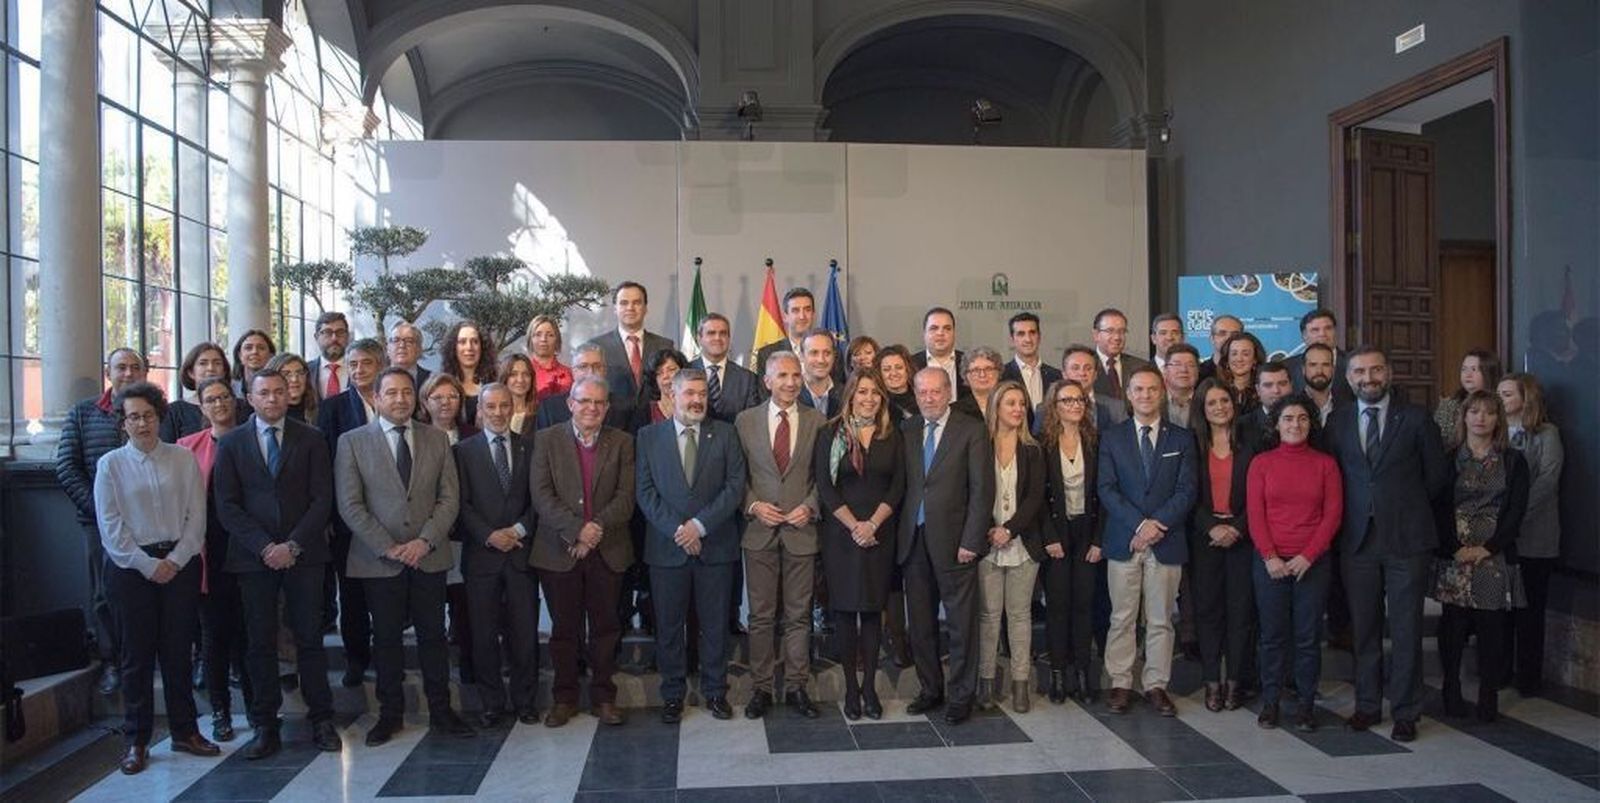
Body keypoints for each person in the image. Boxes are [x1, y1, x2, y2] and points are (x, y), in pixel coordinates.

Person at [335, 367, 472, 745]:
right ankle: (389, 714)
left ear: (416, 397)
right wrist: (389, 546)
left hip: (428, 555)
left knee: (433, 636)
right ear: (376, 398)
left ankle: (442, 710)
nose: (400, 399)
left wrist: (424, 541)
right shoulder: (352, 442)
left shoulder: (436, 439)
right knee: (387, 639)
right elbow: (350, 504)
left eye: (406, 392)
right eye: (391, 393)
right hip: (379, 560)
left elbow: (449, 498)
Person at [212, 368, 341, 759]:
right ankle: (266, 724)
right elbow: (227, 505)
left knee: (309, 639)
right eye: (263, 392)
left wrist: (293, 545)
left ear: (290, 396)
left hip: (304, 556)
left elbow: (323, 499)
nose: (272, 399)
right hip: (255, 559)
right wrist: (266, 546)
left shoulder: (312, 438)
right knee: (260, 642)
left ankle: (322, 719)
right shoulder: (232, 443)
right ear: (249, 398)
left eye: (279, 392)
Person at [94, 382, 221, 774]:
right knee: (136, 655)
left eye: (148, 415)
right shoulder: (110, 465)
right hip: (131, 570)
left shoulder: (182, 459)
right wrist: (150, 566)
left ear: (159, 417)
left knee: (178, 651)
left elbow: (196, 518)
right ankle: (137, 738)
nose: (142, 423)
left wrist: (177, 559)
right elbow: (111, 529)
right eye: (133, 416)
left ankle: (185, 731)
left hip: (181, 564)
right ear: (123, 422)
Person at [1323, 346, 1449, 742]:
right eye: (1359, 371)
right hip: (1357, 540)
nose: (1368, 378)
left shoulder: (1415, 418)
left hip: (1406, 539)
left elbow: (1437, 478)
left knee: (1407, 627)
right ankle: (1366, 705)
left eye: (1376, 370)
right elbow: (1332, 476)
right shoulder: (1338, 421)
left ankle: (1407, 711)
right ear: (1348, 378)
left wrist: (1401, 508)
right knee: (1364, 629)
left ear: (1389, 373)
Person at [635, 369, 747, 724]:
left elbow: (734, 487)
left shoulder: (726, 434)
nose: (697, 400)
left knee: (715, 625)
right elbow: (645, 492)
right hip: (667, 550)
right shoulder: (648, 437)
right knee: (669, 627)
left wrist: (699, 526)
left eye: (701, 393)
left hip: (716, 547)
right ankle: (672, 695)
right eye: (689, 394)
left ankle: (716, 692)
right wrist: (679, 530)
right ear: (673, 394)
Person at [530, 376, 636, 727]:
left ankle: (604, 697)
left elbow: (626, 497)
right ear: (570, 404)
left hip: (608, 549)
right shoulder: (546, 440)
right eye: (584, 401)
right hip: (559, 551)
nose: (592, 408)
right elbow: (542, 496)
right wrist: (576, 530)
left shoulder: (622, 442)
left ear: (607, 408)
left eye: (599, 402)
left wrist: (594, 531)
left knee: (606, 628)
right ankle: (564, 698)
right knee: (564, 630)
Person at [1097, 366, 1197, 717]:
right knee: (1121, 617)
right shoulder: (1112, 437)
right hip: (1124, 540)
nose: (1145, 396)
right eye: (1138, 389)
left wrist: (1157, 526)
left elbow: (1187, 491)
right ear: (1128, 394)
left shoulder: (1182, 439)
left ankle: (1156, 684)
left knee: (1160, 619)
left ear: (1163, 392)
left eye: (1152, 389)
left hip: (1166, 542)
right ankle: (1121, 682)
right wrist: (1140, 525)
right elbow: (1106, 489)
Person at [899, 367, 994, 725]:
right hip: (914, 541)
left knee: (960, 624)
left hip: (957, 544)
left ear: (948, 391)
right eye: (922, 392)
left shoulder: (970, 429)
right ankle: (930, 689)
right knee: (920, 624)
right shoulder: (907, 430)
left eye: (935, 392)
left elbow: (982, 492)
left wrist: (972, 540)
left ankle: (960, 695)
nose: (928, 398)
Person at [735, 352, 825, 720]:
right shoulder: (744, 422)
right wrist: (753, 504)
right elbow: (733, 475)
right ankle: (760, 688)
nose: (790, 382)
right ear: (767, 381)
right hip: (759, 532)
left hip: (802, 531)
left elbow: (826, 476)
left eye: (795, 376)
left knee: (799, 615)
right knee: (760, 616)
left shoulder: (819, 421)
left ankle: (796, 686)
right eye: (782, 376)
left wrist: (812, 505)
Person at [1246, 394, 1342, 731]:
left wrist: (1308, 556)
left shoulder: (1325, 464)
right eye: (1288, 418)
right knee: (1272, 636)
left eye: (1302, 418)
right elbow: (1255, 515)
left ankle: (1305, 705)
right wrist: (1270, 556)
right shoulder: (1261, 463)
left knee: (1306, 637)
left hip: (1311, 563)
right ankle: (1270, 702)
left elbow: (1332, 515)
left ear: (1311, 424)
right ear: (1276, 424)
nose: (1295, 425)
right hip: (1269, 562)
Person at [57, 346, 148, 695]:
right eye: (121, 367)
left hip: (149, 523)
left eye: (135, 368)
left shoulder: (156, 413)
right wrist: (103, 512)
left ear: (145, 372)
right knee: (104, 595)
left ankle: (146, 659)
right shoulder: (83, 414)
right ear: (108, 373)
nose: (128, 373)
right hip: (98, 524)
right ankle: (114, 663)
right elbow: (67, 467)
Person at [813, 369, 904, 720]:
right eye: (862, 392)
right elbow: (824, 485)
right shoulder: (830, 433)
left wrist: (872, 525)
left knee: (872, 613)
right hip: (842, 537)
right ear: (850, 394)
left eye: (875, 393)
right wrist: (854, 526)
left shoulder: (891, 435)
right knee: (846, 614)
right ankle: (851, 689)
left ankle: (870, 690)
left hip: (879, 535)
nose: (869, 399)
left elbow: (898, 485)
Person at [1434, 390, 1529, 723]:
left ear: (1497, 419)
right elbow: (1439, 506)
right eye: (1474, 412)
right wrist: (1455, 547)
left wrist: (1488, 548)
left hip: (1493, 555)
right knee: (1453, 626)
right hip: (1454, 554)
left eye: (1488, 413)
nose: (1480, 418)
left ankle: (1488, 695)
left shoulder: (1513, 460)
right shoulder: (1448, 458)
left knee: (1492, 627)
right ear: (1464, 417)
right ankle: (1451, 690)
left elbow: (1516, 510)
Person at [455, 383, 541, 728]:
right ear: (480, 411)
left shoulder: (530, 448)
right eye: (490, 406)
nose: (498, 412)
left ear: (512, 407)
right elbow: (461, 504)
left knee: (525, 633)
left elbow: (538, 500)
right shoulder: (463, 451)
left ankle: (525, 701)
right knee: (483, 634)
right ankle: (492, 702)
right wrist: (489, 535)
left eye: (505, 405)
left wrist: (518, 530)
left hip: (520, 555)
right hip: (482, 556)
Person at [174, 378, 252, 744]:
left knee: (252, 636)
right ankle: (220, 710)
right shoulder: (186, 448)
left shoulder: (253, 437)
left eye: (224, 397)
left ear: (235, 402)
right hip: (208, 558)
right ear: (200, 407)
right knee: (215, 638)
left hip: (252, 553)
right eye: (210, 399)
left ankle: (258, 707)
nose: (218, 404)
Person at [317, 337, 386, 684]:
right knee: (354, 593)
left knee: (388, 595)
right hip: (348, 519)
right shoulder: (332, 408)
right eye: (353, 364)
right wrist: (330, 516)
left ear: (380, 366)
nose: (358, 370)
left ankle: (388, 657)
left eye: (366, 364)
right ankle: (356, 660)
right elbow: (324, 465)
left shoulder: (396, 401)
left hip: (391, 517)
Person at [975, 380, 1046, 714]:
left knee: (1019, 615)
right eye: (1011, 403)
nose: (1018, 409)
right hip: (986, 543)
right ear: (996, 408)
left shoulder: (1033, 448)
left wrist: (1010, 529)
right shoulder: (979, 444)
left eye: (1022, 404)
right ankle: (986, 682)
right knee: (988, 616)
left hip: (1022, 543)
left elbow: (1034, 497)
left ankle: (1020, 684)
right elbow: (973, 492)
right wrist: (991, 529)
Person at [1190, 379, 1257, 712]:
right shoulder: (1193, 444)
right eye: (1212, 403)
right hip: (1205, 538)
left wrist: (1237, 528)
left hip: (1243, 538)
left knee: (1240, 613)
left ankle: (1235, 682)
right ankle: (1211, 680)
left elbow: (1260, 494)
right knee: (1208, 612)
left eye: (1225, 401)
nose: (1220, 407)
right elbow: (1187, 494)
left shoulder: (1251, 443)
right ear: (1202, 408)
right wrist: (1212, 527)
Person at [1498, 373, 1563, 696]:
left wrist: (1517, 513)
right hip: (1500, 536)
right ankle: (1500, 671)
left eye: (1507, 394)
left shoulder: (1546, 434)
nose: (1501, 400)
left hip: (1535, 535)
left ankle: (1528, 677)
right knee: (1503, 610)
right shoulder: (1495, 433)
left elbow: (1548, 479)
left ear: (1526, 398)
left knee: (1531, 609)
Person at [1039, 379, 1102, 704]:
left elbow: (1104, 495)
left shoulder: (1095, 441)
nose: (1074, 405)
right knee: (1058, 607)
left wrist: (1099, 540)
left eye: (1079, 400)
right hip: (1056, 535)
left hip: (1087, 534)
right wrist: (1049, 537)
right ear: (1055, 406)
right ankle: (1059, 674)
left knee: (1084, 605)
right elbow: (1036, 496)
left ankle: (1083, 672)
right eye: (1066, 400)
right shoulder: (1042, 443)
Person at [419, 372, 476, 685]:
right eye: (437, 397)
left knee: (465, 606)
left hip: (464, 536)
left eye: (452, 396)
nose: (445, 403)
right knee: (430, 611)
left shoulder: (472, 434)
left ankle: (468, 667)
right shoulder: (416, 436)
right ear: (425, 402)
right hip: (426, 535)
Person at [587, 281, 674, 430]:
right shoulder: (597, 346)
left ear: (645, 308)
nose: (630, 308)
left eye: (637, 303)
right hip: (612, 427)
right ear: (615, 308)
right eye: (624, 303)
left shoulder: (664, 345)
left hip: (655, 427)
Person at [534, 342, 633, 432]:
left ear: (605, 371)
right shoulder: (549, 409)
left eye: (597, 366)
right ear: (573, 371)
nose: (591, 372)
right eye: (583, 366)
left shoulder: (624, 408)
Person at [756, 287, 842, 383]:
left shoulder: (834, 354)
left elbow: (837, 392)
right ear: (785, 316)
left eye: (807, 310)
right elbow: (765, 395)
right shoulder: (767, 354)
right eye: (796, 310)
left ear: (813, 314)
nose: (802, 316)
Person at [692, 312, 765, 425]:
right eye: (711, 333)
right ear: (699, 338)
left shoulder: (747, 379)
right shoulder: (685, 371)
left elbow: (751, 420)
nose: (717, 338)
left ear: (729, 338)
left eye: (723, 333)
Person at [162, 342, 231, 442]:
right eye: (203, 363)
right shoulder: (174, 411)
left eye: (217, 363)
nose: (211, 368)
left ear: (224, 371)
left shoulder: (241, 406)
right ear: (191, 372)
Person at [1435, 349, 1502, 446]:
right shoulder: (1449, 405)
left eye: (1474, 369)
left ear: (1489, 373)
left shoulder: (1501, 403)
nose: (1467, 375)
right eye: (1464, 369)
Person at [1285, 309, 1352, 404]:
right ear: (1304, 335)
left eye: (1328, 328)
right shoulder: (1287, 367)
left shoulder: (1353, 362)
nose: (1322, 334)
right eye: (1315, 330)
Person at [1002, 312, 1063, 413]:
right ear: (1012, 340)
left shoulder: (1057, 377)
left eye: (1032, 333)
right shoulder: (1002, 376)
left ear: (1039, 336)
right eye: (1021, 334)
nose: (1028, 339)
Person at [440, 320, 497, 427]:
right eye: (462, 342)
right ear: (453, 347)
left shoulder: (494, 383)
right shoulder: (441, 385)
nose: (469, 347)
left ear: (482, 347)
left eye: (475, 341)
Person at [1061, 345, 1127, 431]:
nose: (1082, 373)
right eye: (1075, 368)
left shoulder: (1116, 408)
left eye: (1088, 368)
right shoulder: (1045, 409)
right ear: (1064, 374)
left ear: (1095, 374)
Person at [910, 307, 970, 401]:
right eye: (934, 328)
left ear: (954, 333)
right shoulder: (910, 364)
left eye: (947, 328)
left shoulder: (969, 363)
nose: (940, 333)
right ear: (924, 333)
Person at [1091, 308, 1149, 402]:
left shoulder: (1140, 366)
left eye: (1122, 331)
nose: (1117, 337)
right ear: (1096, 335)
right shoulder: (1085, 367)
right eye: (1110, 331)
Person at [1238, 361, 1293, 451]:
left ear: (1291, 385)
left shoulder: (1306, 421)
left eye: (1282, 384)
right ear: (1258, 390)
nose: (1276, 390)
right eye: (1268, 385)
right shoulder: (1242, 427)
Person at [525, 314, 573, 403]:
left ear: (557, 339)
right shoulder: (523, 373)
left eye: (550, 335)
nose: (543, 339)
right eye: (538, 334)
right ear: (530, 339)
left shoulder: (569, 374)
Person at [1217, 332, 1267, 413]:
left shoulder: (1265, 390)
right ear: (1227, 359)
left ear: (1255, 359)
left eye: (1245, 354)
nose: (1239, 359)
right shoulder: (1215, 389)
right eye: (1234, 354)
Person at [798, 330, 844, 417]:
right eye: (814, 353)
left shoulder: (846, 394)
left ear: (834, 356)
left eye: (827, 353)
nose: (821, 360)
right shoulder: (791, 394)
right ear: (801, 356)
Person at [263, 352, 318, 424]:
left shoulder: (320, 411)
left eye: (300, 372)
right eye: (286, 374)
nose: (294, 379)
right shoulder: (264, 415)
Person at [308, 311, 351, 400]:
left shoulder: (358, 369)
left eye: (340, 332)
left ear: (347, 336)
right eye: (327, 332)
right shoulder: (306, 371)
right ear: (316, 337)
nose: (334, 338)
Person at [642, 348, 690, 427]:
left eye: (671, 370)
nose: (666, 376)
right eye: (659, 373)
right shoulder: (644, 413)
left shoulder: (695, 405)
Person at [952, 346, 1003, 421]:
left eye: (988, 369)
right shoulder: (955, 411)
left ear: (998, 372)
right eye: (976, 370)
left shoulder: (1011, 405)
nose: (982, 375)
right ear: (966, 375)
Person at [1300, 343, 1341, 425]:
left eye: (1325, 365)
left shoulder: (1346, 405)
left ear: (1333, 369)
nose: (1319, 371)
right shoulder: (1293, 406)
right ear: (1303, 369)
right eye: (1313, 365)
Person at [496, 353, 538, 434]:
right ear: (504, 378)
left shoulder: (541, 414)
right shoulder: (492, 412)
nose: (520, 380)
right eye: (513, 374)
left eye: (526, 374)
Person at [1162, 343, 1201, 429]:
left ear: (1198, 371)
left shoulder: (1205, 402)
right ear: (1165, 370)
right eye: (1177, 364)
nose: (1183, 370)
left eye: (1190, 365)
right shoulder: (1153, 401)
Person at [386, 322, 433, 390]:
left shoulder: (432, 380)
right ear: (387, 348)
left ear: (419, 349)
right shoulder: (375, 382)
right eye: (396, 340)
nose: (402, 345)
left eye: (409, 341)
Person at [876, 345, 917, 421]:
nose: (894, 373)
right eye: (887, 369)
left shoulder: (922, 396)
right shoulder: (877, 404)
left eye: (899, 368)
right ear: (879, 373)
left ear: (907, 369)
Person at [1198, 314, 1243, 383]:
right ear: (1212, 339)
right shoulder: (1199, 372)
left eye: (1235, 335)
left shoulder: (1255, 372)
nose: (1228, 338)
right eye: (1222, 333)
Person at [231, 329, 276, 397]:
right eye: (248, 348)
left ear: (271, 355)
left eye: (261, 348)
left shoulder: (280, 387)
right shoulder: (229, 390)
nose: (254, 352)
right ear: (240, 355)